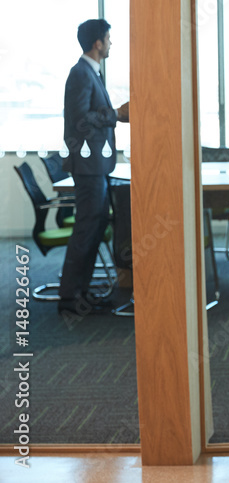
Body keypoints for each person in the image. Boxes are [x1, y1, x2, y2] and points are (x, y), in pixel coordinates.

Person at [60, 18, 130, 318]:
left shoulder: (91, 72)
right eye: (109, 38)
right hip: (88, 167)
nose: (112, 43)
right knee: (87, 230)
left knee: (96, 226)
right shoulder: (81, 74)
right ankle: (70, 298)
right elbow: (80, 120)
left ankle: (81, 294)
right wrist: (115, 114)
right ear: (97, 43)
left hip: (96, 166)